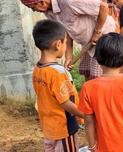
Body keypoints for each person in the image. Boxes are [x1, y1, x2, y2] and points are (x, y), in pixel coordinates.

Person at [18, 0, 117, 81]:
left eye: (32, 8)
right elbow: (67, 31)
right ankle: (91, 96)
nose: (34, 11)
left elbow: (103, 7)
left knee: (98, 76)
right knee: (87, 72)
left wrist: (98, 32)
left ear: (41, 2)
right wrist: (68, 57)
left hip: (103, 34)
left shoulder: (70, 1)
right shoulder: (48, 11)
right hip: (88, 40)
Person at [78, 33, 123, 152]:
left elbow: (88, 120)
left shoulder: (88, 87)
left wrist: (92, 145)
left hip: (107, 146)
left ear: (98, 58)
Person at [32, 19, 84, 152]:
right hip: (64, 129)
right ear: (58, 44)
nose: (66, 46)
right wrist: (87, 115)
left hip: (49, 128)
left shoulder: (38, 69)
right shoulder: (58, 73)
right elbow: (66, 103)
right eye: (66, 42)